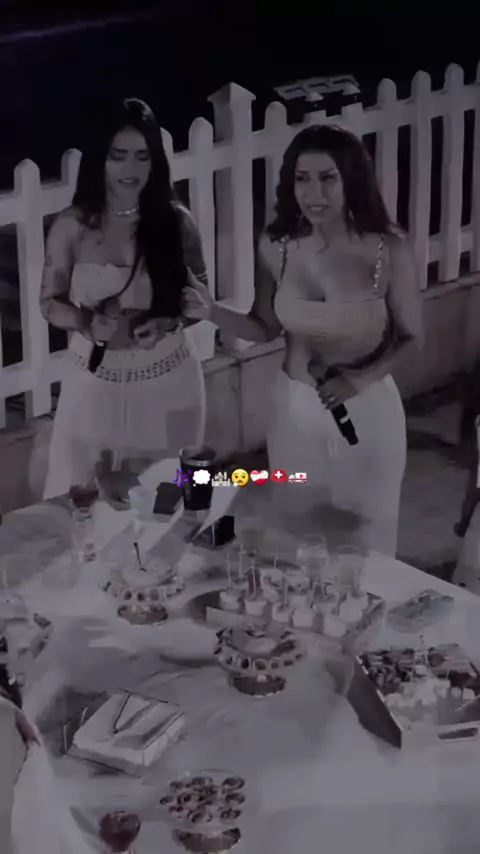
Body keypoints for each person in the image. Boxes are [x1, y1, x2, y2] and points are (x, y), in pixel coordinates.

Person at [183, 125, 423, 556]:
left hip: (369, 410)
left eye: (327, 178)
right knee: (298, 534)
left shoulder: (388, 249)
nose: (314, 193)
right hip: (294, 412)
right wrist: (211, 311)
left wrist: (359, 379)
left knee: (369, 537)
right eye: (302, 178)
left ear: (352, 179)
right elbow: (263, 327)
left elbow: (411, 338)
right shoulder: (276, 246)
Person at [40, 98, 207, 501]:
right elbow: (49, 302)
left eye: (141, 157)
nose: (130, 169)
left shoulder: (176, 222)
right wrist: (84, 322)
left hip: (170, 379)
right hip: (93, 381)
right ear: (100, 159)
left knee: (170, 500)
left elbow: (200, 299)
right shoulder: (72, 226)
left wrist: (169, 322)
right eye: (119, 156)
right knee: (82, 501)